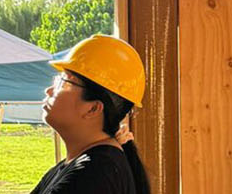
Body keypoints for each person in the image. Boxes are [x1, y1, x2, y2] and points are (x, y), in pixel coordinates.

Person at [34, 35, 152, 194]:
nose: (49, 91)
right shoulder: (84, 166)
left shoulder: (94, 174)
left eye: (63, 82)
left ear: (93, 109)